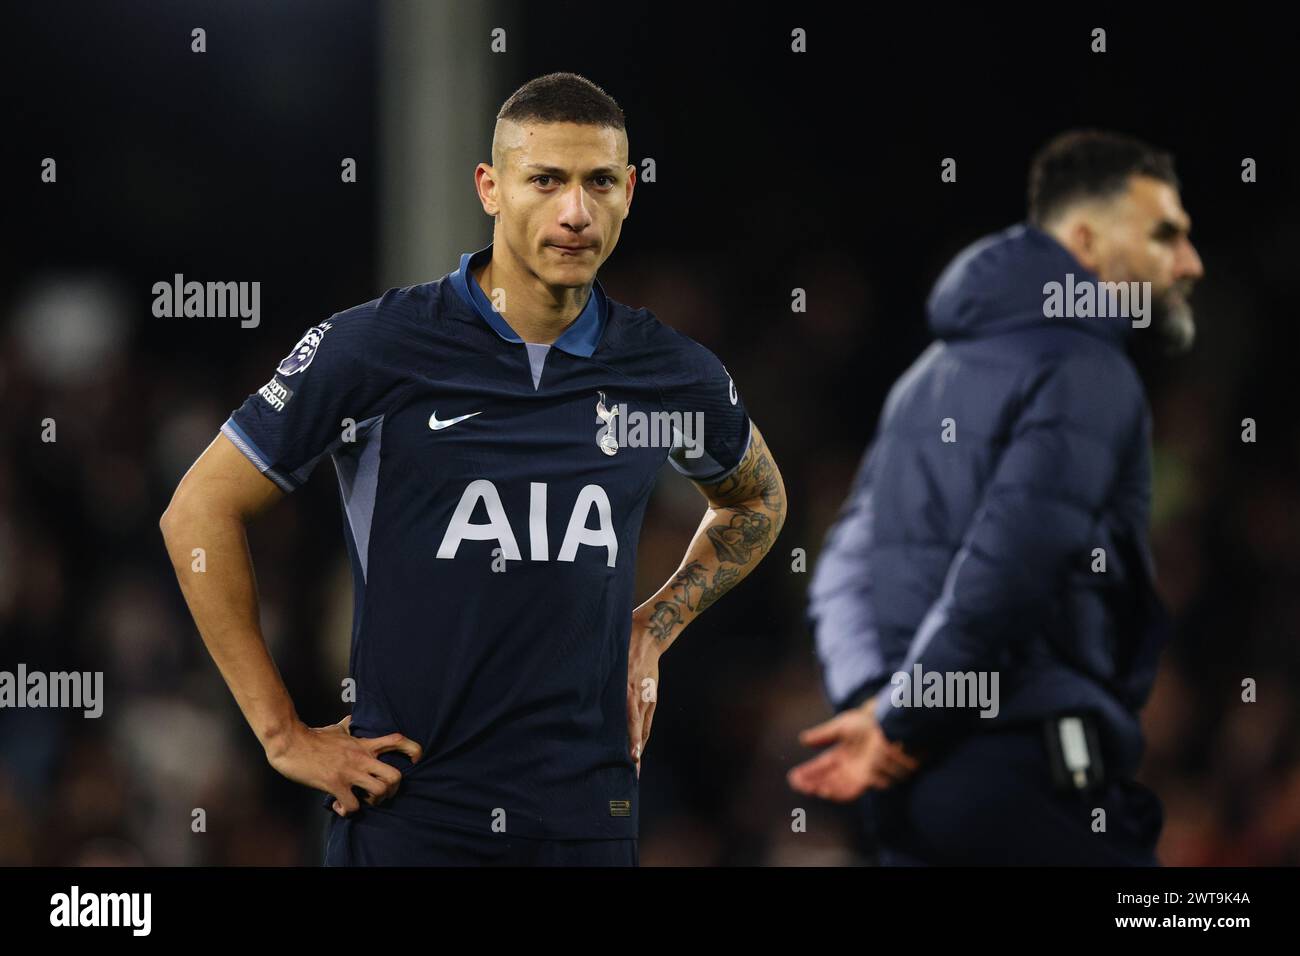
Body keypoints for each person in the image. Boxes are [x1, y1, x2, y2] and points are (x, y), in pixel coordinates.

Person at [160, 72, 786, 866]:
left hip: (586, 819)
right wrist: (280, 733)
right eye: (546, 180)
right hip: (411, 814)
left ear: (630, 191)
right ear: (491, 188)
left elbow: (755, 501)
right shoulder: (377, 349)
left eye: (599, 183)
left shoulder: (666, 373)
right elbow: (198, 510)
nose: (574, 213)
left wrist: (654, 625)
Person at [789, 129, 1202, 865]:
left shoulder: (924, 377)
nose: (1188, 263)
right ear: (1086, 239)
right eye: (1165, 234)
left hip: (911, 794)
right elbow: (1006, 573)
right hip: (1023, 771)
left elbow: (841, 569)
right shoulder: (1088, 370)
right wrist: (898, 720)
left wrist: (876, 705)